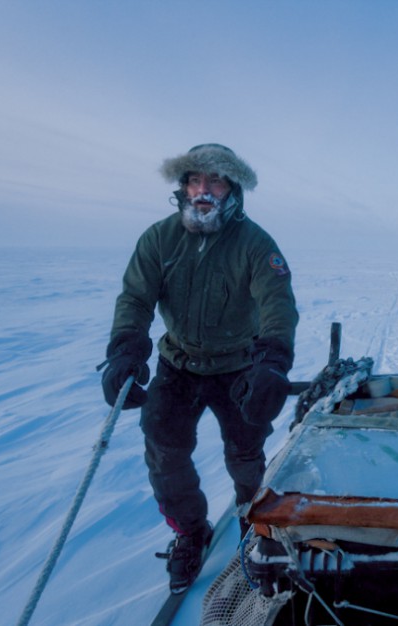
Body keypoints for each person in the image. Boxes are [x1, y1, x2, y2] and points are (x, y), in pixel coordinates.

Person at [100, 143, 299, 594]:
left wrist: (272, 362)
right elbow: (135, 298)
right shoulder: (159, 239)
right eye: (195, 181)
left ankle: (255, 522)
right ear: (183, 187)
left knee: (246, 454)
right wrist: (125, 350)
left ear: (232, 191)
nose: (203, 191)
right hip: (179, 365)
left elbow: (278, 305)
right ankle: (191, 533)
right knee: (164, 449)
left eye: (215, 182)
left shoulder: (256, 245)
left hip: (240, 367)